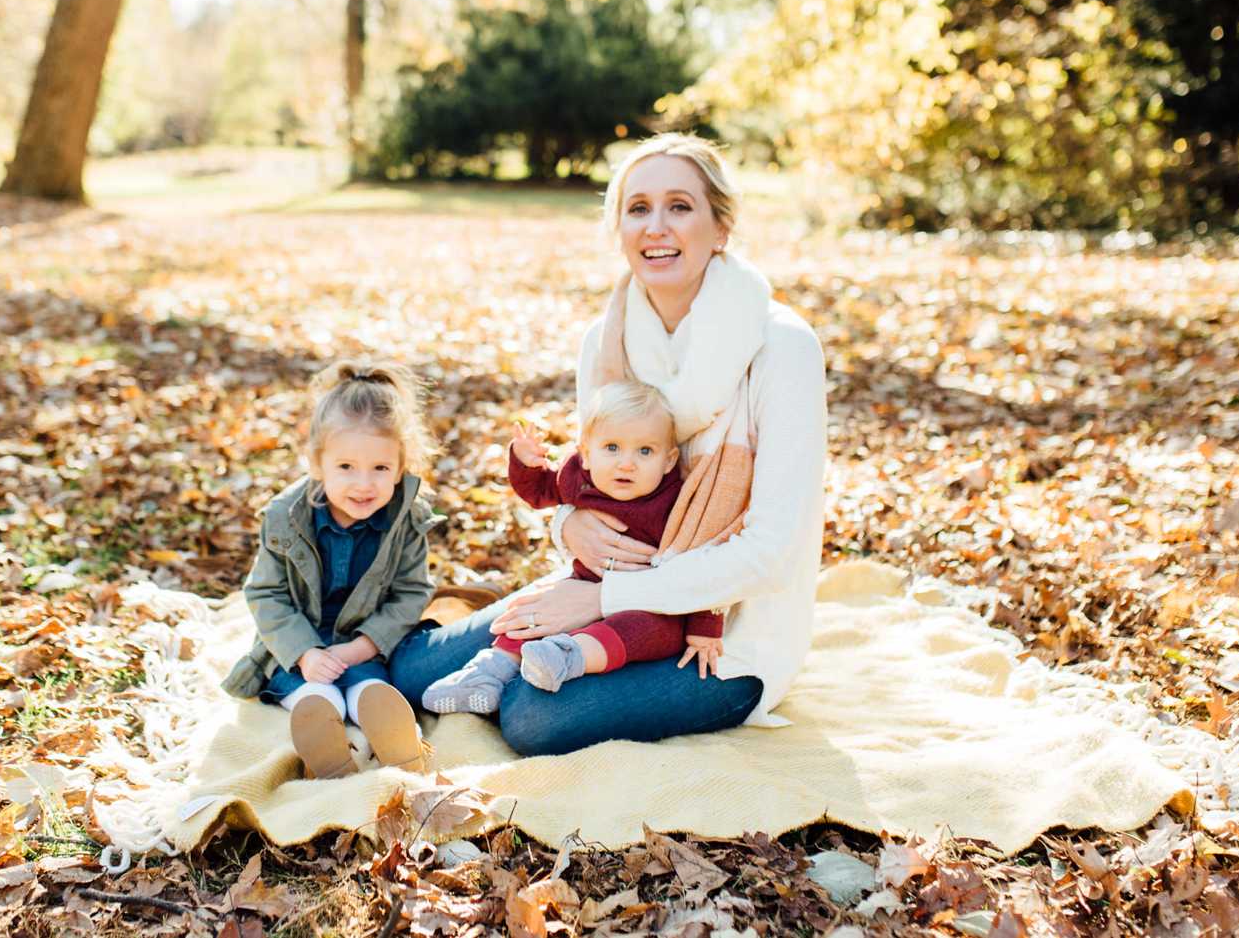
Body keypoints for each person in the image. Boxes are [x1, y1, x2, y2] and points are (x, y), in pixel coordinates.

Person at [389, 132, 826, 756]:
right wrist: (566, 525)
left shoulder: (783, 346)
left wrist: (601, 597)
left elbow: (772, 553)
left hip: (722, 636)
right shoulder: (608, 339)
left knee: (532, 718)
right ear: (618, 228)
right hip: (604, 589)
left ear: (720, 228)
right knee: (411, 674)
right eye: (638, 208)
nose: (657, 226)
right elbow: (586, 479)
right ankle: (465, 607)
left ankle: (533, 638)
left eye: (680, 206)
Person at [420, 381, 725, 714]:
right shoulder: (579, 478)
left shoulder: (675, 503)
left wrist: (704, 629)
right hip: (582, 586)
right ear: (587, 453)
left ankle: (566, 656)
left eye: (645, 451)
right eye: (612, 447)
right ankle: (489, 671)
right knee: (536, 612)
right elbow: (539, 492)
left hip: (650, 604)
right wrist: (526, 464)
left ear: (669, 462)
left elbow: (699, 560)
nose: (626, 463)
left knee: (646, 630)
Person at [220, 360, 439, 778]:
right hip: (295, 643)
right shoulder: (285, 516)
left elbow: (411, 592)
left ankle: (388, 724)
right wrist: (304, 652)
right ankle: (323, 739)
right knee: (314, 692)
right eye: (346, 467)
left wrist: (361, 648)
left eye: (380, 468)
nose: (364, 484)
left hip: (362, 640)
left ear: (400, 466)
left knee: (368, 685)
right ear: (318, 463)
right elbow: (266, 593)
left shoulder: (407, 519)